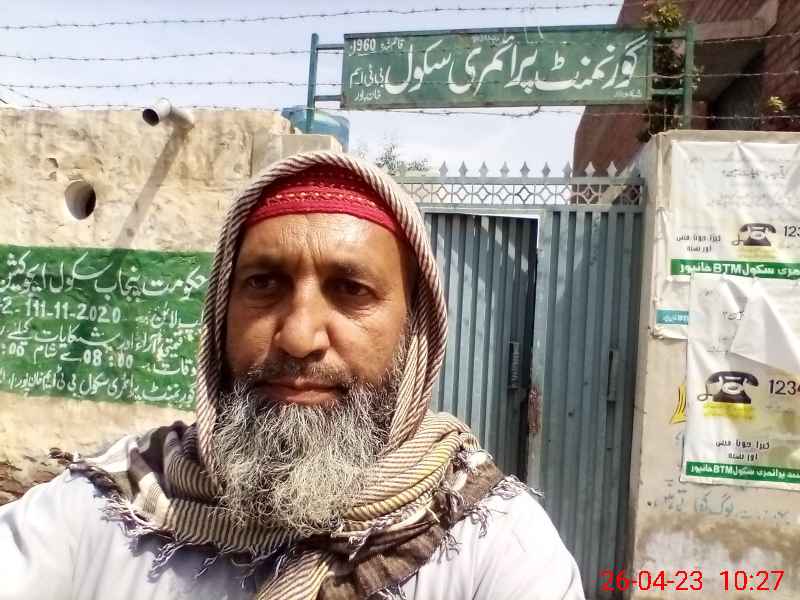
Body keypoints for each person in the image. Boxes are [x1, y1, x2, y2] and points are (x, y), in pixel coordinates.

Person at [0, 151, 584, 599]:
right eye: (263, 284)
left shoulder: (493, 545)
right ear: (220, 314)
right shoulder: (102, 510)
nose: (300, 337)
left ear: (414, 330)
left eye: (351, 289)